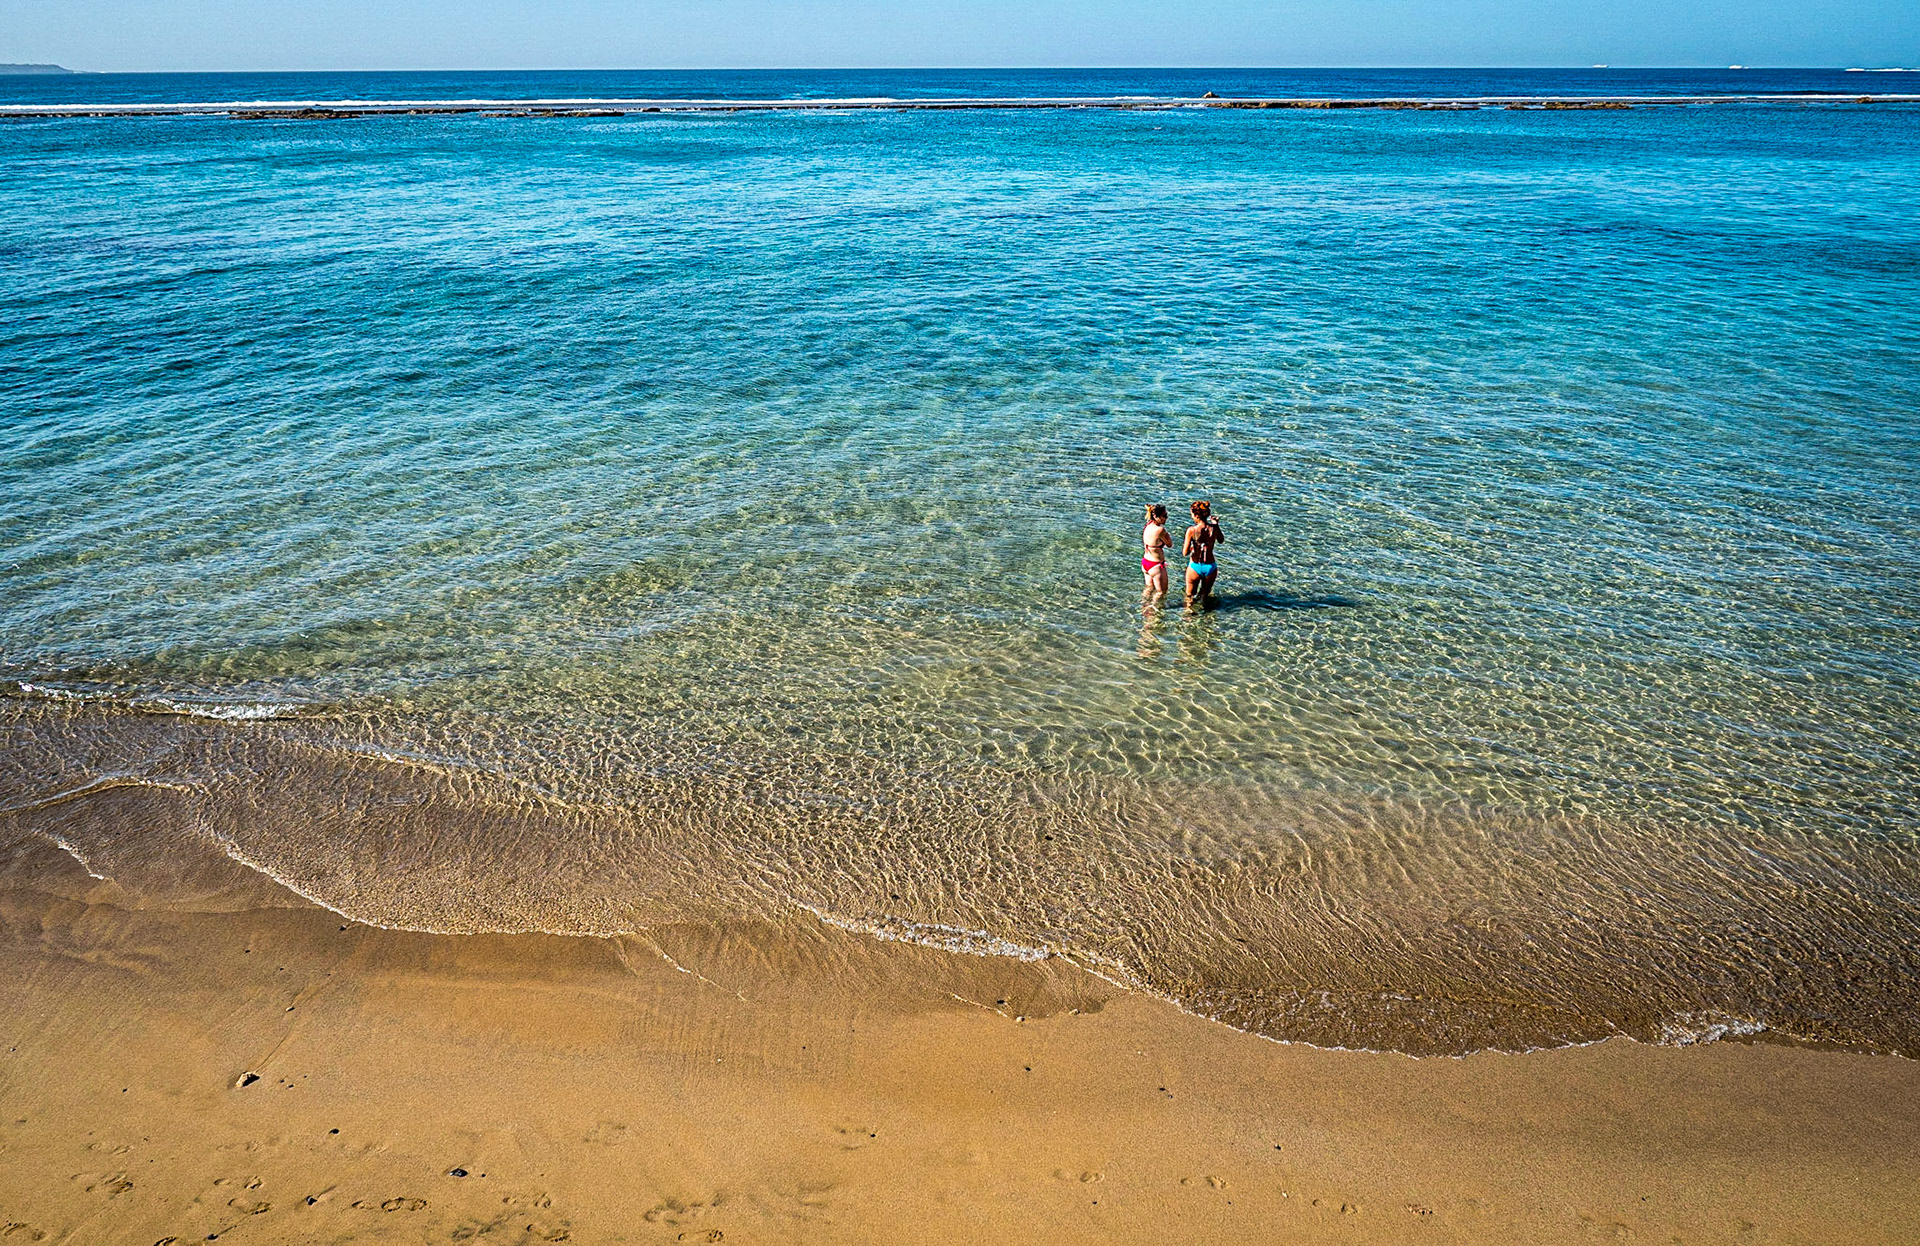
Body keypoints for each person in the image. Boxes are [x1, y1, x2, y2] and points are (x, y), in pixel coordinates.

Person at [1183, 500, 1223, 603]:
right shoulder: (1214, 528)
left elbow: (1185, 552)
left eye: (1192, 514)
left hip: (1195, 566)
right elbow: (1221, 540)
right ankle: (1205, 616)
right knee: (1205, 595)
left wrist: (1193, 548)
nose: (1191, 516)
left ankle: (1189, 616)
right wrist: (1216, 524)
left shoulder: (1192, 530)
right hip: (1210, 567)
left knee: (1189, 596)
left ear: (1196, 515)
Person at [1141, 504, 1174, 597]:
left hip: (1146, 562)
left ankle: (1144, 608)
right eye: (1164, 516)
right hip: (1156, 565)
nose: (1166, 518)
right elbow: (1170, 544)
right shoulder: (1160, 530)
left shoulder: (1148, 525)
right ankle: (1155, 610)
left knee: (1149, 588)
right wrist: (1167, 535)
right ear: (1156, 516)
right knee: (1161, 592)